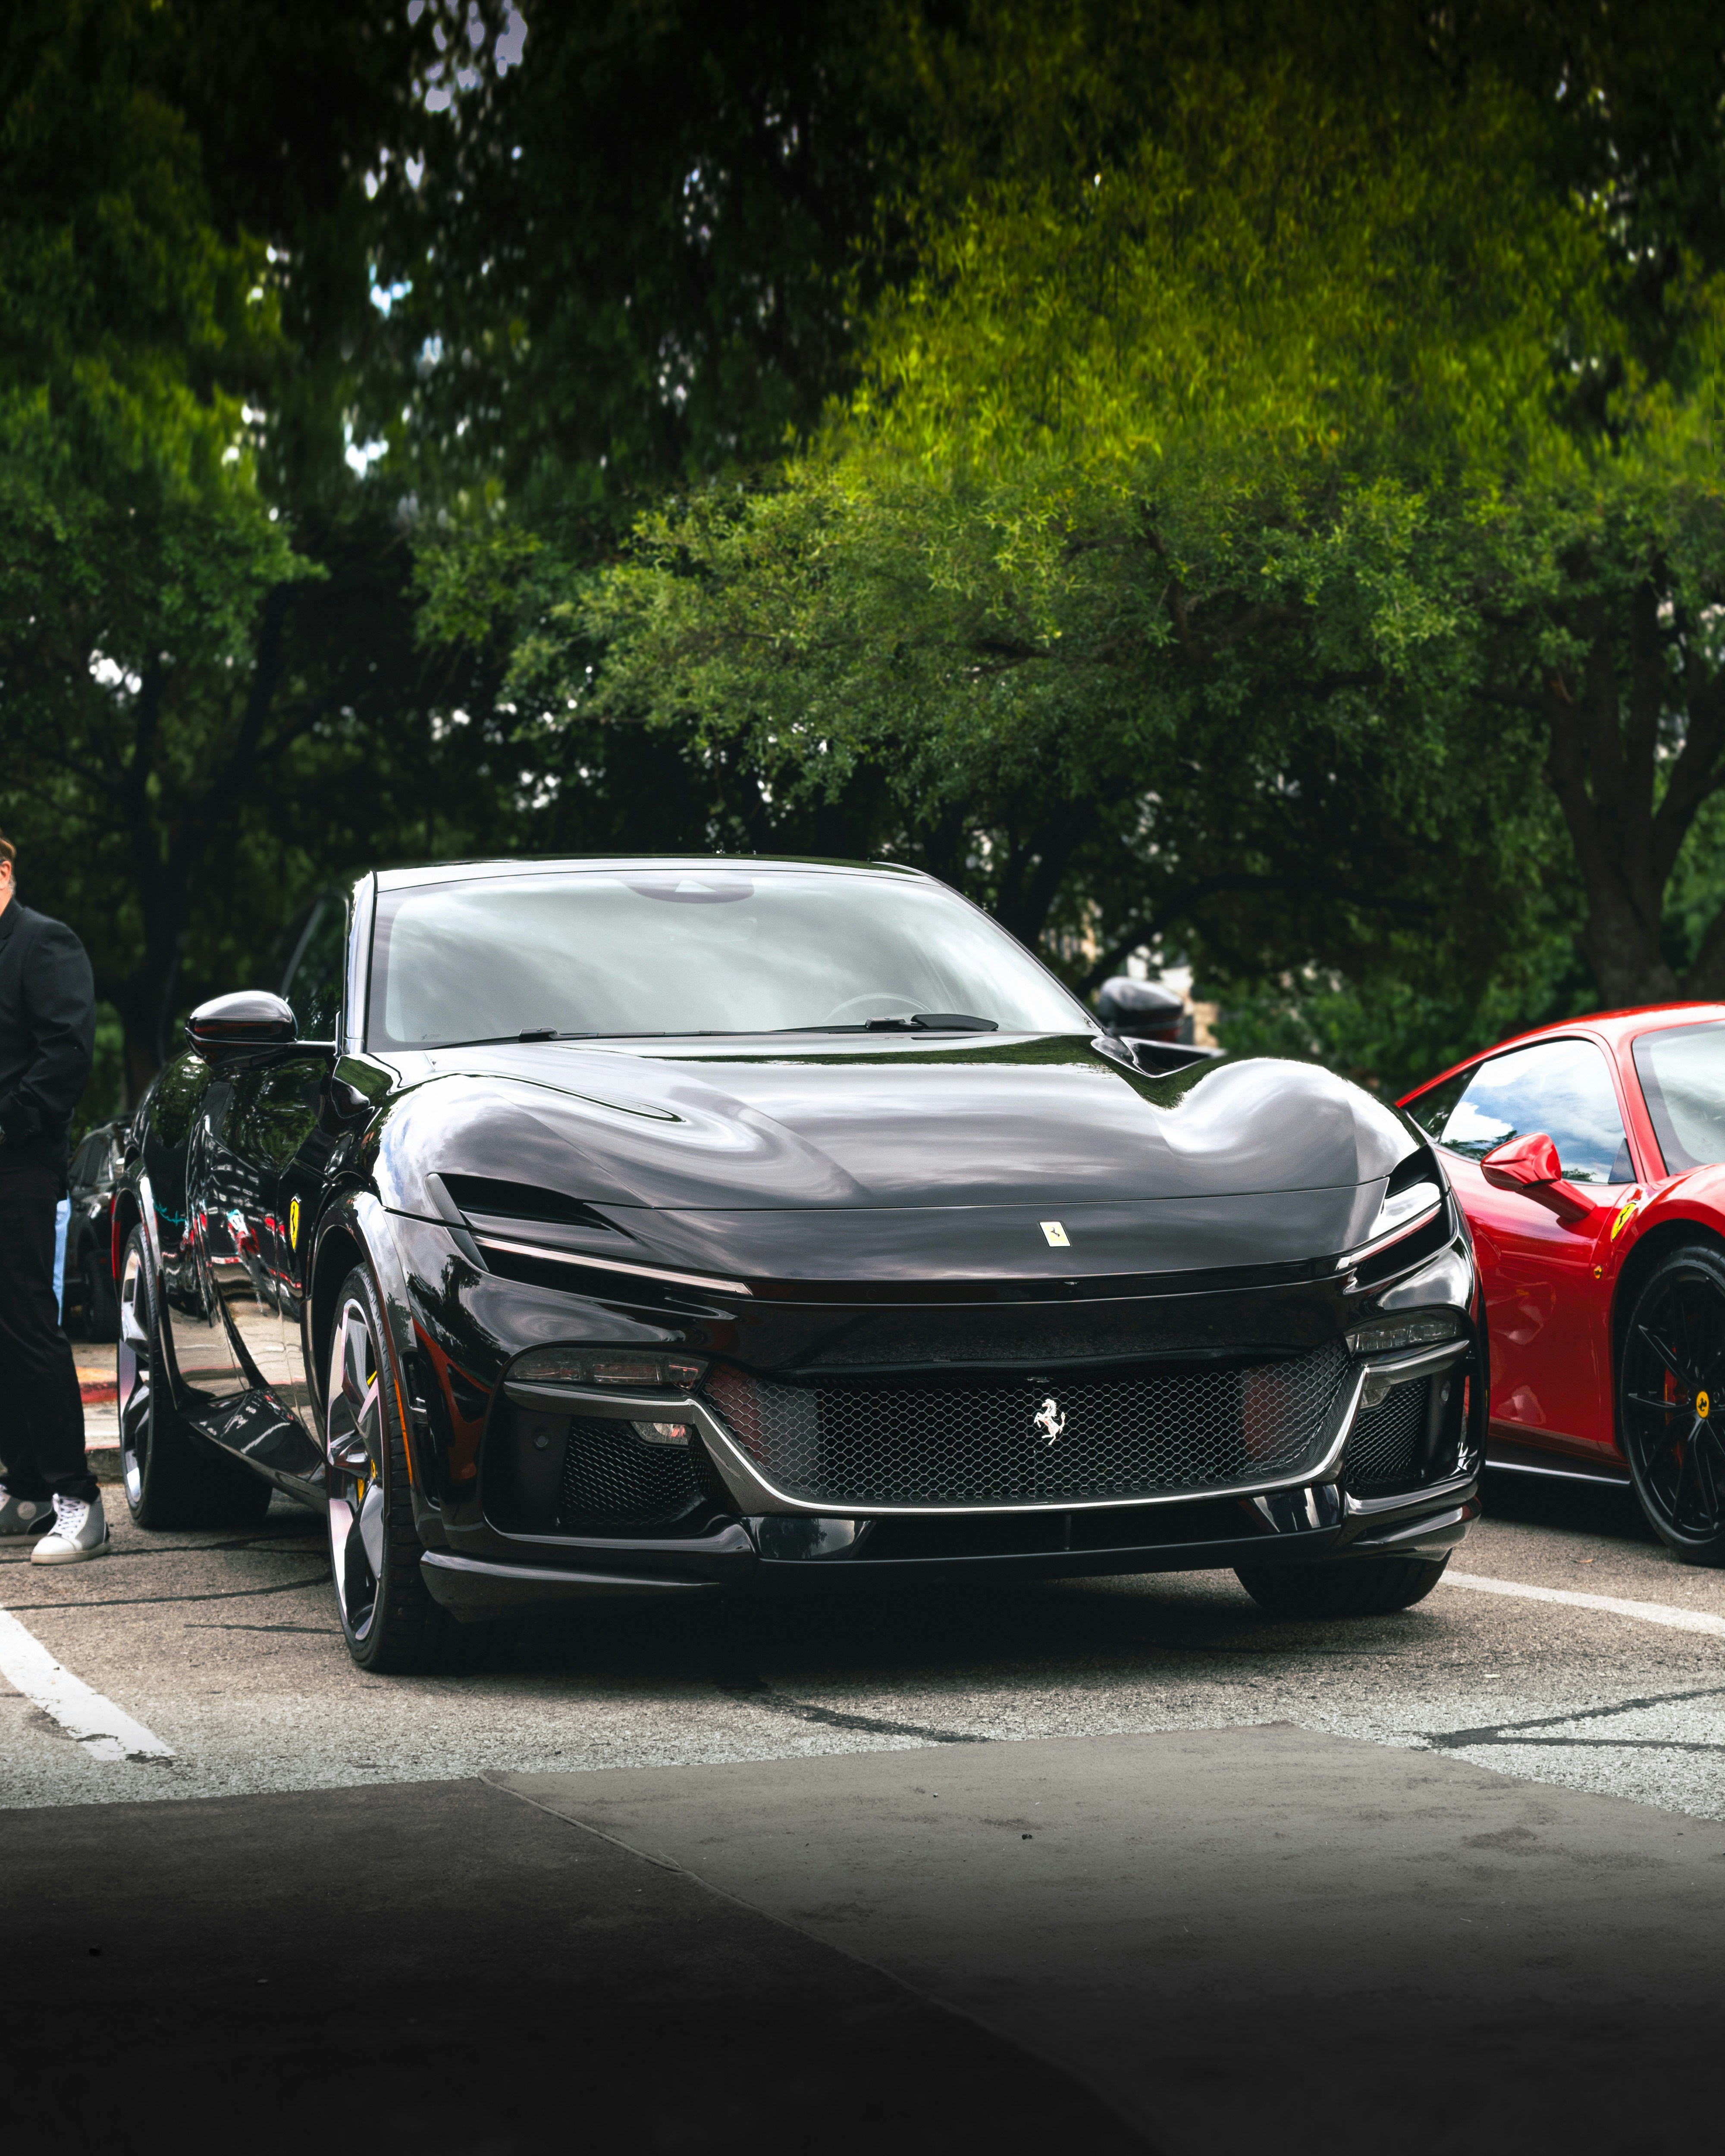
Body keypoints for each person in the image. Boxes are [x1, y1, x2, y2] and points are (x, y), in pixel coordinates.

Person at [0, 830, 104, 1561]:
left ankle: (80, 1502)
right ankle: (29, 1488)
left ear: (3, 872)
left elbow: (66, 1054)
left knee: (30, 1326)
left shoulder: (44, 942)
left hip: (21, 1169)